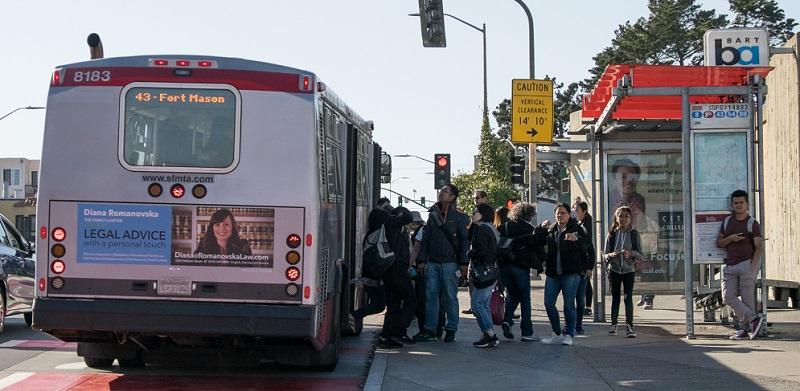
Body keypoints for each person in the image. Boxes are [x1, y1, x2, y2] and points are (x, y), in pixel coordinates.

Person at [414, 184, 469, 343]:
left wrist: (464, 263)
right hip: (433, 262)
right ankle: (430, 330)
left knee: (450, 297)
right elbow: (426, 240)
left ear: (452, 197)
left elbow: (465, 241)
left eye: (445, 192)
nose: (441, 193)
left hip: (451, 263)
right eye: (442, 191)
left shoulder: (460, 216)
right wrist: (422, 260)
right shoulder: (433, 215)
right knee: (430, 296)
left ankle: (451, 328)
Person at [716, 190, 765, 340]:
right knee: (727, 296)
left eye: (741, 203)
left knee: (747, 300)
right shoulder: (727, 222)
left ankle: (745, 331)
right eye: (736, 203)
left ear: (747, 205)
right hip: (730, 265)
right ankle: (754, 319)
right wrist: (730, 238)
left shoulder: (752, 223)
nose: (738, 205)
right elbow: (719, 243)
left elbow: (759, 247)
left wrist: (752, 267)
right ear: (732, 205)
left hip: (746, 264)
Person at [367, 205, 417, 348]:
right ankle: (397, 331)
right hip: (397, 270)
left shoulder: (392, 227)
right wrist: (402, 210)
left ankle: (386, 335)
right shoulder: (392, 224)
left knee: (394, 304)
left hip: (390, 270)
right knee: (411, 300)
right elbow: (408, 217)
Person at [539, 203, 588, 346]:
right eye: (558, 213)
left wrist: (576, 239)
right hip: (553, 272)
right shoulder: (552, 229)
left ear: (569, 215)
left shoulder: (577, 229)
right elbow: (538, 241)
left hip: (571, 272)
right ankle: (556, 332)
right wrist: (541, 228)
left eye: (563, 213)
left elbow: (587, 247)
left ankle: (569, 334)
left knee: (568, 305)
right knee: (548, 303)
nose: (560, 215)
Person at [498, 202, 546, 342]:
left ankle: (507, 320)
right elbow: (537, 247)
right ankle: (527, 332)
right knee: (525, 299)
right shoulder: (530, 229)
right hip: (520, 267)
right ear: (530, 214)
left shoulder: (505, 226)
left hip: (504, 267)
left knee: (513, 295)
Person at [603, 206, 643, 338]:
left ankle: (629, 327)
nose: (623, 219)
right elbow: (604, 255)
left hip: (628, 270)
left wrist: (631, 253)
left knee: (628, 298)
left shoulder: (634, 234)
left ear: (630, 219)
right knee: (615, 298)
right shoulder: (612, 234)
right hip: (614, 270)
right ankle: (613, 324)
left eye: (626, 216)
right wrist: (613, 254)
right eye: (620, 216)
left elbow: (641, 254)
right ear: (616, 218)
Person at [468, 203, 501, 348]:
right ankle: (487, 333)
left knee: (478, 304)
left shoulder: (483, 230)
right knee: (480, 304)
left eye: (475, 212)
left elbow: (481, 251)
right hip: (491, 272)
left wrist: (470, 253)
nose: (473, 214)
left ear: (483, 214)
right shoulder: (490, 228)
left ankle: (490, 335)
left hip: (484, 272)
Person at [463, 189, 491, 314]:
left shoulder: (488, 213)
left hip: (486, 258)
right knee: (471, 280)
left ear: (485, 198)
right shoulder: (475, 215)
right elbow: (469, 235)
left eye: (478, 198)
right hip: (474, 255)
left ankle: (484, 307)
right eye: (475, 198)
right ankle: (474, 306)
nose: (476, 200)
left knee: (486, 284)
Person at [573, 201, 594, 332]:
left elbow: (588, 246)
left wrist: (589, 266)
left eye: (577, 210)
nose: (575, 212)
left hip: (585, 261)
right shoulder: (580, 222)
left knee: (585, 285)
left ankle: (588, 306)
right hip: (582, 262)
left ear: (584, 211)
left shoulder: (587, 223)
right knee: (585, 286)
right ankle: (586, 307)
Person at [608, 159, 646, 229]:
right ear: (615, 179)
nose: (628, 180)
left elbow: (640, 226)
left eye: (632, 177)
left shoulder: (640, 200)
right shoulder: (607, 199)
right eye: (623, 177)